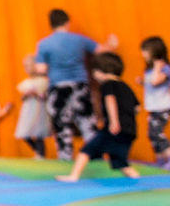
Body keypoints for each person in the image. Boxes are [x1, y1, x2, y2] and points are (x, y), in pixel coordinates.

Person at [35, 9, 116, 161]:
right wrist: (111, 44)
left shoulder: (44, 44)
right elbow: (102, 50)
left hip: (58, 87)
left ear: (51, 25)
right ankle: (95, 155)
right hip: (80, 86)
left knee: (61, 125)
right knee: (87, 123)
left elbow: (41, 69)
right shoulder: (79, 40)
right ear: (67, 22)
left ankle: (65, 158)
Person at [60, 52, 141, 182]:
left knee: (86, 150)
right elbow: (137, 107)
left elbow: (110, 100)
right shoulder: (126, 87)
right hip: (129, 130)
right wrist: (127, 120)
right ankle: (137, 178)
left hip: (113, 128)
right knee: (120, 161)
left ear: (100, 71)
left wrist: (114, 121)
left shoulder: (108, 84)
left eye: (94, 71)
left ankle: (73, 176)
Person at [14, 59, 53, 159]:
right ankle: (37, 151)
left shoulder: (44, 81)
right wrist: (26, 94)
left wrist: (37, 94)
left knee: (39, 133)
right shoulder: (26, 83)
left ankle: (40, 155)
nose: (26, 69)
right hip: (28, 109)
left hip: (39, 109)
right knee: (24, 133)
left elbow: (47, 96)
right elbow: (22, 97)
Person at [139, 37, 168, 167]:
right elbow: (151, 83)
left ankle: (167, 158)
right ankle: (161, 161)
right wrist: (142, 81)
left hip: (163, 107)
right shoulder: (149, 70)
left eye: (145, 51)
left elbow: (156, 81)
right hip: (154, 107)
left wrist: (157, 67)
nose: (143, 54)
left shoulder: (164, 68)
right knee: (151, 134)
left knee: (157, 133)